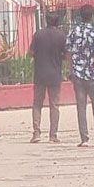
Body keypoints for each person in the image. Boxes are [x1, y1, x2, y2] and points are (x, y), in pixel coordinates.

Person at [66, 4, 94, 147]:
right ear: (92, 16)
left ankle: (84, 138)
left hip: (78, 73)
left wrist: (71, 68)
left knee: (81, 106)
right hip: (92, 73)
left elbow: (68, 52)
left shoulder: (74, 31)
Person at [30, 12, 67, 143]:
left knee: (37, 104)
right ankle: (53, 135)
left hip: (40, 74)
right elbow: (66, 54)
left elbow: (31, 52)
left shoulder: (38, 34)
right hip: (55, 74)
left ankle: (36, 133)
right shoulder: (61, 36)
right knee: (54, 105)